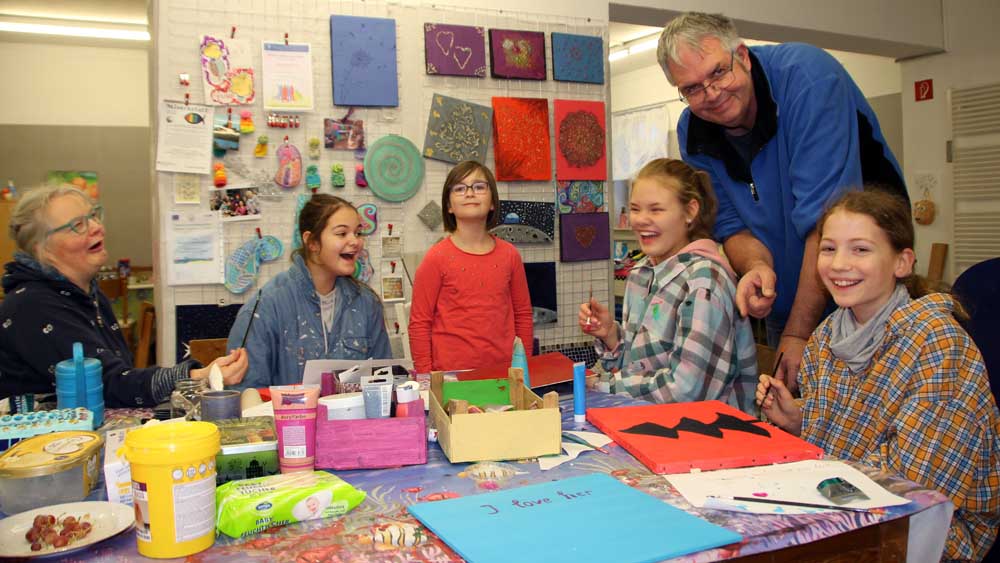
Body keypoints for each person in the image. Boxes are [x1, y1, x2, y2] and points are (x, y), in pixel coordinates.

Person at [658, 12, 908, 390]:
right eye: (691, 89)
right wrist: (757, 266)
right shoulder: (692, 131)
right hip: (789, 303)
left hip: (864, 302)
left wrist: (798, 334)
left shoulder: (808, 79)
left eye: (718, 72)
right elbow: (731, 228)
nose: (711, 94)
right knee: (796, 424)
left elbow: (827, 224)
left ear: (741, 55)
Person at [757, 189, 999, 561]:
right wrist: (798, 419)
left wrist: (800, 493)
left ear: (901, 263)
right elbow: (844, 428)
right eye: (828, 248)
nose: (839, 264)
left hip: (922, 527)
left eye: (860, 249)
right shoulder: (826, 336)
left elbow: (914, 485)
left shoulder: (937, 343)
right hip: (838, 505)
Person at [0, 185, 247, 408]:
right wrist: (199, 376)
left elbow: (118, 376)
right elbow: (109, 384)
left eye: (93, 216)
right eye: (78, 225)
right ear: (41, 247)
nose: (97, 227)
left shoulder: (84, 293)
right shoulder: (32, 306)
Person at [579, 159, 757, 414]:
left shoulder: (705, 281)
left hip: (711, 437)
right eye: (635, 209)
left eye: (656, 210)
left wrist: (605, 386)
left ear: (690, 211)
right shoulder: (641, 274)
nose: (640, 220)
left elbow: (688, 391)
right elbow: (636, 367)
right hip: (654, 424)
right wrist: (610, 336)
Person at [227, 194, 390, 389]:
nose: (355, 241)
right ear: (311, 242)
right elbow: (246, 394)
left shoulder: (366, 302)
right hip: (287, 419)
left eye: (358, 233)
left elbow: (384, 378)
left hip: (352, 418)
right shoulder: (266, 306)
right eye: (341, 233)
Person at [408, 160, 533, 373]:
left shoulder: (510, 255)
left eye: (479, 187)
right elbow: (419, 323)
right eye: (459, 188)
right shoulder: (436, 258)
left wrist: (524, 368)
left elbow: (523, 315)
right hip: (451, 378)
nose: (469, 193)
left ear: (492, 201)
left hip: (504, 373)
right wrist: (425, 380)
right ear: (448, 205)